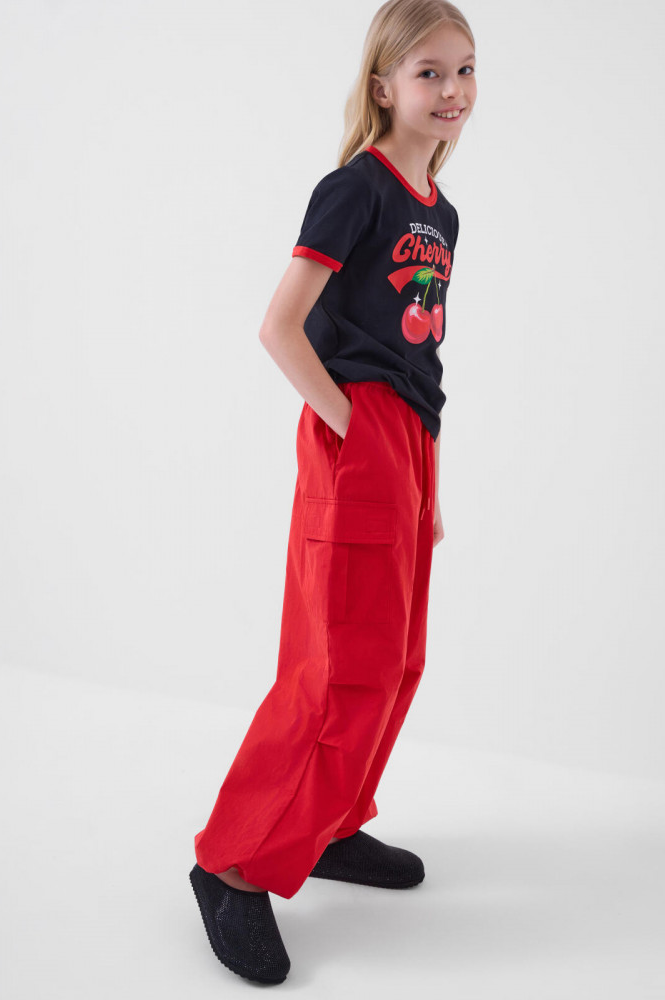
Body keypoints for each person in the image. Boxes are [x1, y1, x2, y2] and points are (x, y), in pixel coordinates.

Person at [188, 0, 476, 985]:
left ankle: (330, 824)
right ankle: (232, 865)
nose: (452, 90)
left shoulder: (441, 211)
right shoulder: (355, 189)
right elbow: (281, 325)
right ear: (383, 86)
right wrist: (356, 432)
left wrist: (423, 473)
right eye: (430, 72)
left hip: (409, 443)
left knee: (396, 662)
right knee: (337, 667)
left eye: (465, 69)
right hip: (359, 434)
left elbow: (417, 349)